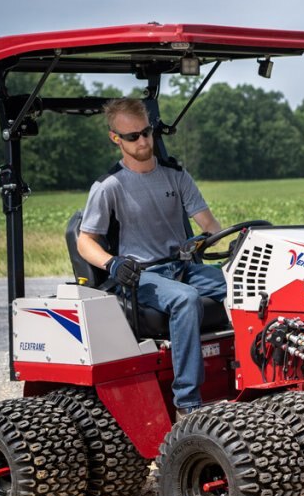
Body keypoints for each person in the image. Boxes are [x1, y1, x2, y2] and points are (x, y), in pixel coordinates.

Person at [76, 97, 225, 415]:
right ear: (115, 138)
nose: (143, 141)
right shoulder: (108, 187)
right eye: (132, 136)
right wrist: (112, 263)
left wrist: (233, 246)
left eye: (146, 132)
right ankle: (188, 404)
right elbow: (85, 241)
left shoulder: (176, 176)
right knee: (185, 300)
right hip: (141, 276)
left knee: (243, 284)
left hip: (183, 267)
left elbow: (209, 224)